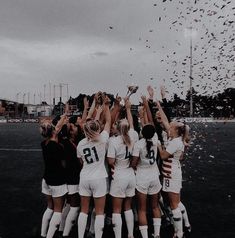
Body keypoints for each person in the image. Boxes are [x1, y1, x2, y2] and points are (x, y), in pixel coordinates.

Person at [77, 102, 111, 238]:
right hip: (99, 178)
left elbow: (80, 161)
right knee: (99, 211)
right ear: (98, 129)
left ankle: (80, 236)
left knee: (84, 211)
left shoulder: (80, 143)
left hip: (84, 177)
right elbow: (108, 121)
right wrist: (106, 106)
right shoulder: (102, 139)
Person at [106, 99, 138, 238]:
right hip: (131, 175)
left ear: (117, 128)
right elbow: (131, 124)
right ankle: (130, 234)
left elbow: (111, 161)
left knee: (116, 209)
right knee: (128, 207)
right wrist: (129, 109)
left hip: (119, 175)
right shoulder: (133, 135)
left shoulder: (113, 141)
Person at [157, 121, 191, 238]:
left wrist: (158, 146)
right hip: (173, 173)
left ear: (176, 130)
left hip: (171, 174)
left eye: (171, 127)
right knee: (176, 202)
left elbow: (163, 156)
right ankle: (185, 225)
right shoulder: (177, 139)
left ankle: (179, 233)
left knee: (174, 205)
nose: (169, 129)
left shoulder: (175, 142)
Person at [131, 124, 162, 238]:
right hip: (154, 176)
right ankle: (157, 234)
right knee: (155, 206)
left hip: (142, 177)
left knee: (142, 209)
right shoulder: (155, 140)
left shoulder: (138, 144)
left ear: (141, 133)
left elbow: (134, 163)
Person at [40, 116, 68, 238]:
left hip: (46, 179)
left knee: (49, 207)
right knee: (58, 210)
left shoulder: (43, 143)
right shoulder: (59, 147)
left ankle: (43, 233)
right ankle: (50, 236)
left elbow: (55, 130)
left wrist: (64, 116)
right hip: (57, 181)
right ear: (54, 132)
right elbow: (64, 164)